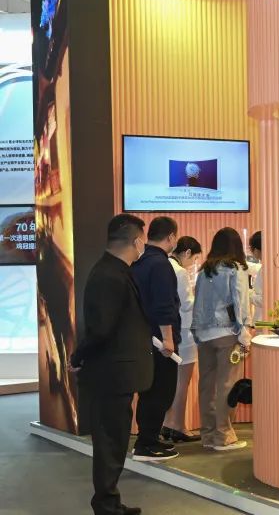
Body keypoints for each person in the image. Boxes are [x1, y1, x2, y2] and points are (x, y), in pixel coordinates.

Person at [70, 213, 153, 515]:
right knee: (109, 443)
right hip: (111, 374)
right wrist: (79, 356)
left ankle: (110, 502)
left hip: (117, 373)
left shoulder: (116, 270)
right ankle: (106, 505)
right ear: (136, 241)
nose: (144, 246)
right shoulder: (109, 275)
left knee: (114, 441)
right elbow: (101, 329)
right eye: (143, 241)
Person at [192, 227, 252, 451]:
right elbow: (240, 300)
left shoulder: (204, 270)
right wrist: (244, 331)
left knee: (207, 385)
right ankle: (223, 436)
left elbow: (197, 302)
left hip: (204, 334)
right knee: (227, 384)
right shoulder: (235, 268)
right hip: (228, 333)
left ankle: (208, 435)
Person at [130, 216, 181, 461]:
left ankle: (148, 437)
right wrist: (168, 339)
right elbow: (164, 305)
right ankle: (146, 444)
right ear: (171, 237)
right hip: (161, 343)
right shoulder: (161, 264)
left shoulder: (139, 262)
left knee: (150, 391)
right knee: (161, 392)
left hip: (144, 338)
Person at [161, 236, 203, 443]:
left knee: (170, 382)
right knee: (182, 383)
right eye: (194, 259)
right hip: (184, 333)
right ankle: (178, 425)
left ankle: (168, 423)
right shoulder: (180, 272)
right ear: (187, 253)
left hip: (167, 332)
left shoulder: (163, 266)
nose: (193, 263)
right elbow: (187, 304)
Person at [249, 231, 264, 321]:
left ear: (256, 250)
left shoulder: (266, 270)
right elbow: (251, 267)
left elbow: (264, 299)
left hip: (263, 319)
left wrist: (248, 295)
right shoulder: (263, 267)